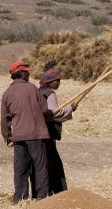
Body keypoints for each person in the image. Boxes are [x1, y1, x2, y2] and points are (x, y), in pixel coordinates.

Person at [1, 61, 52, 204]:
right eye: (27, 72)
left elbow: (5, 119)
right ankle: (42, 199)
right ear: (21, 73)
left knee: (21, 168)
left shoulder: (7, 94)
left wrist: (7, 135)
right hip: (36, 134)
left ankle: (20, 198)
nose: (29, 74)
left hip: (18, 136)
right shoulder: (32, 89)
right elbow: (44, 110)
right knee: (40, 167)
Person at [38, 66, 77, 195]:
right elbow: (55, 113)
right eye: (57, 80)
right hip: (48, 132)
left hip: (40, 132)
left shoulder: (39, 91)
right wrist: (71, 108)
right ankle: (60, 192)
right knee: (54, 164)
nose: (59, 83)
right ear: (50, 82)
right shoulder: (50, 93)